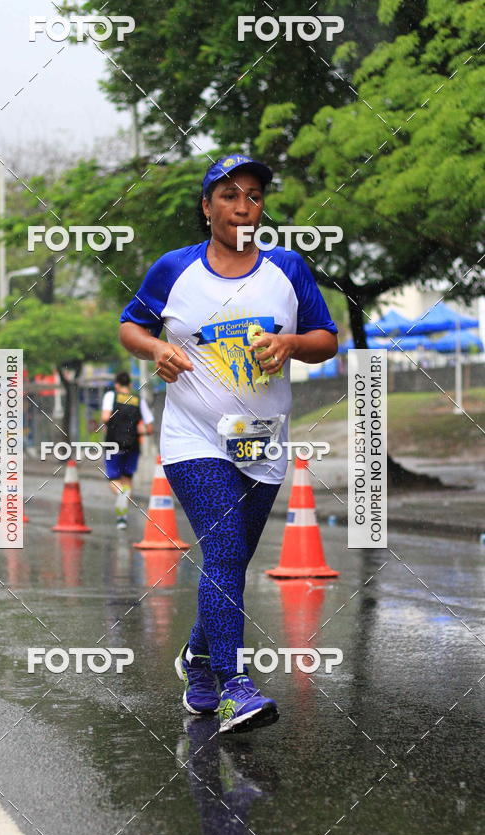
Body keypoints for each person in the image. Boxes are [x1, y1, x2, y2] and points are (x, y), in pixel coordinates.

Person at [119, 155, 338, 734]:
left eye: (255, 197)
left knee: (230, 559)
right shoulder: (174, 270)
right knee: (220, 549)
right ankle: (234, 686)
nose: (244, 207)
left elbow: (326, 340)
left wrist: (290, 344)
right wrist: (155, 350)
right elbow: (131, 325)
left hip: (262, 441)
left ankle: (197, 661)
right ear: (207, 205)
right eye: (230, 195)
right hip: (194, 437)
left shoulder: (287, 268)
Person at [101, 371, 154, 528]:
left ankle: (121, 496)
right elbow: (149, 427)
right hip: (132, 445)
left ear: (117, 385)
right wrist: (136, 431)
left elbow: (105, 417)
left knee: (113, 478)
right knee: (127, 478)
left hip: (113, 443)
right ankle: (122, 518)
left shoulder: (111, 396)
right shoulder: (138, 400)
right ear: (130, 385)